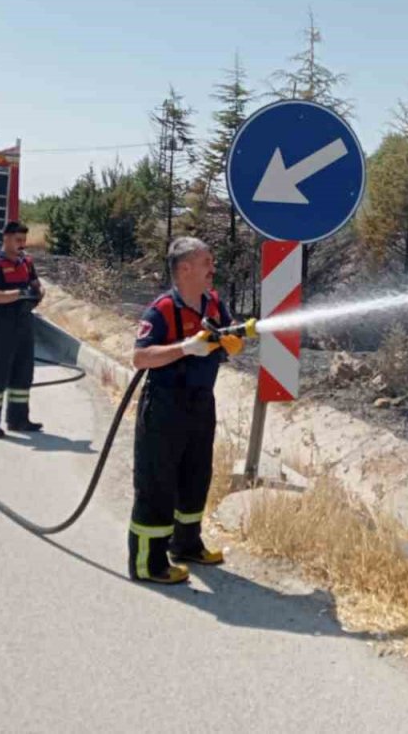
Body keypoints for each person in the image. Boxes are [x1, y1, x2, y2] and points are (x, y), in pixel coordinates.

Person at [127, 236, 244, 584]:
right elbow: (140, 357)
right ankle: (148, 562)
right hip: (165, 406)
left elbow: (229, 334)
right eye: (206, 261)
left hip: (200, 404)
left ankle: (186, 544)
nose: (213, 267)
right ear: (185, 269)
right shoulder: (161, 310)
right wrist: (185, 347)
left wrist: (234, 341)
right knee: (157, 484)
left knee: (196, 477)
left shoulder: (213, 304)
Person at [0, 221, 44, 438]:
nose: (22, 244)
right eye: (18, 240)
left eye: (24, 240)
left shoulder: (26, 261)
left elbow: (35, 283)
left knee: (23, 374)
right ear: (5, 238)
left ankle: (18, 420)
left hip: (24, 322)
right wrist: (19, 294)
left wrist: (38, 292)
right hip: (1, 323)